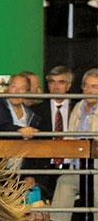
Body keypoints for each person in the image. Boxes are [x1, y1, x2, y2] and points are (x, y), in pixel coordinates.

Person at [49, 68, 98, 221]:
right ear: (82, 87)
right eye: (87, 86)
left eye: (95, 86)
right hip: (78, 168)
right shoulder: (77, 108)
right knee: (64, 183)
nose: (90, 90)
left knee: (95, 191)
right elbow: (70, 135)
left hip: (96, 169)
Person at [28, 66, 75, 201]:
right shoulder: (36, 110)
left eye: (61, 82)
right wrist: (29, 173)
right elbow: (30, 144)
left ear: (69, 85)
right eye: (52, 82)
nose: (56, 86)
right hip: (43, 169)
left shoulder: (78, 108)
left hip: (71, 167)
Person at [0, 74, 40, 139]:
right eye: (13, 87)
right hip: (2, 147)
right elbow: (1, 126)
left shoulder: (31, 113)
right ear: (8, 88)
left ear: (27, 92)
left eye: (22, 88)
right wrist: (19, 130)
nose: (17, 91)